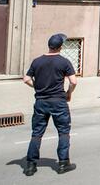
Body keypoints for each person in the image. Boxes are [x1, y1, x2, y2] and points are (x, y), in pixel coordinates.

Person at [23, 33, 78, 176]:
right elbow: (73, 81)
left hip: (41, 101)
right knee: (63, 132)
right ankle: (63, 163)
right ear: (60, 47)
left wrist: (37, 87)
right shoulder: (64, 62)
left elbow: (26, 79)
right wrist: (68, 93)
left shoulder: (37, 61)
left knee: (37, 133)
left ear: (49, 46)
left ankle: (30, 166)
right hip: (58, 101)